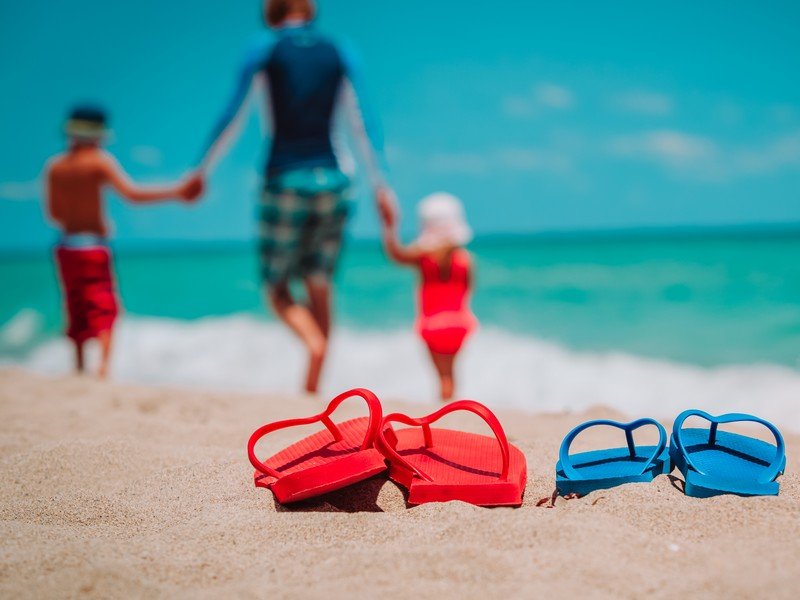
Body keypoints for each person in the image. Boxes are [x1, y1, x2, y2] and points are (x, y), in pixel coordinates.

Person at [198, 0, 392, 393]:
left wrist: (200, 170)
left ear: (272, 14)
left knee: (277, 287)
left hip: (285, 177)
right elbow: (362, 119)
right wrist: (381, 184)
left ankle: (314, 345)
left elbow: (233, 113)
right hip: (337, 179)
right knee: (319, 279)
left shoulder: (264, 47)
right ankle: (313, 388)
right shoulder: (340, 49)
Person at [45, 105, 202, 378]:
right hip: (93, 245)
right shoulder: (99, 161)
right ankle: (103, 369)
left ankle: (79, 366)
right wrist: (176, 192)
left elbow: (54, 214)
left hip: (66, 246)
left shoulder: (55, 167)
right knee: (103, 304)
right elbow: (131, 194)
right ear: (99, 134)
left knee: (75, 304)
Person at [379, 193, 478, 401]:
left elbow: (396, 254)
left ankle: (445, 410)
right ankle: (451, 406)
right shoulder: (466, 259)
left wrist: (389, 226)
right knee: (451, 374)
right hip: (459, 323)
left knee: (441, 377)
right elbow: (469, 290)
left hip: (432, 325)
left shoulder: (423, 257)